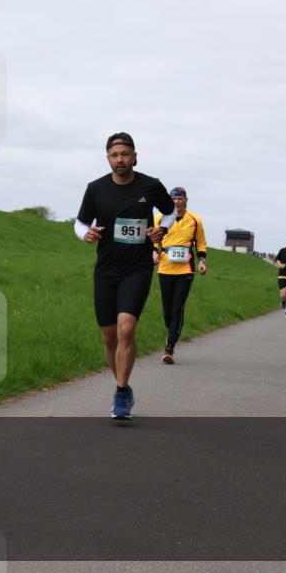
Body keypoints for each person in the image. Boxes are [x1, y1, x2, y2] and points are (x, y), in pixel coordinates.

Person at [75, 132, 176, 420]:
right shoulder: (96, 189)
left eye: (125, 154)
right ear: (108, 158)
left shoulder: (151, 185)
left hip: (137, 268)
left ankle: (120, 393)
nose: (120, 160)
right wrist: (87, 233)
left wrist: (162, 229)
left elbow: (169, 213)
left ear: (135, 156)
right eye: (115, 155)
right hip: (106, 270)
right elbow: (81, 222)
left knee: (126, 328)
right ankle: (124, 385)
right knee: (109, 337)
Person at [152, 186, 207, 364]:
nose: (177, 202)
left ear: (186, 200)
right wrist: (154, 252)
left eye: (180, 199)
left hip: (185, 269)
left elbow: (201, 244)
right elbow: (154, 240)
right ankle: (172, 331)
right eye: (173, 199)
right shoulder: (160, 218)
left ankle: (170, 348)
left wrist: (202, 261)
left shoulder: (195, 220)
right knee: (167, 311)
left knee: (177, 308)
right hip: (165, 267)